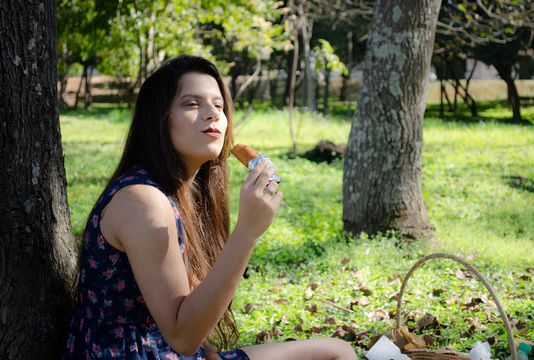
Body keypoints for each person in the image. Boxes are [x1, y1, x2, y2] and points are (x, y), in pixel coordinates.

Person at [62, 55, 357, 360]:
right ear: (159, 119)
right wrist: (246, 233)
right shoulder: (142, 202)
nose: (212, 114)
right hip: (137, 353)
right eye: (192, 104)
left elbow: (183, 303)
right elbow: (182, 336)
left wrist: (208, 348)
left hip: (166, 349)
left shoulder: (177, 192)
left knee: (336, 351)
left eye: (219, 105)